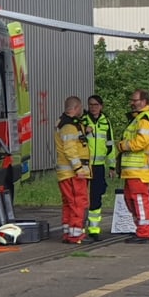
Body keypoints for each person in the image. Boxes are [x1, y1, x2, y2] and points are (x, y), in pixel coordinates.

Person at [117, 89, 149, 244]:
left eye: (135, 100)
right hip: (133, 170)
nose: (132, 103)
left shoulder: (144, 119)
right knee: (130, 199)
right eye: (132, 100)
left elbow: (141, 142)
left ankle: (144, 232)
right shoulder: (140, 118)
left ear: (144, 101)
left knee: (138, 200)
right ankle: (141, 228)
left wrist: (122, 146)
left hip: (139, 169)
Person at [55, 96, 92, 244]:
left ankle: (68, 232)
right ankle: (76, 234)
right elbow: (70, 149)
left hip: (65, 173)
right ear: (76, 108)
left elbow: (74, 141)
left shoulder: (63, 123)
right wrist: (79, 169)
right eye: (81, 108)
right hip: (73, 173)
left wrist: (85, 132)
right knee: (78, 203)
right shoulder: (70, 126)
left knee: (69, 203)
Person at [82, 95, 117, 242]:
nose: (93, 107)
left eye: (96, 105)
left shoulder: (106, 122)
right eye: (90, 104)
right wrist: (85, 131)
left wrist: (112, 166)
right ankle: (80, 228)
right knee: (82, 197)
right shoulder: (83, 121)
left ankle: (94, 229)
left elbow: (110, 145)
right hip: (84, 166)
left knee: (96, 197)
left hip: (99, 166)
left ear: (101, 106)